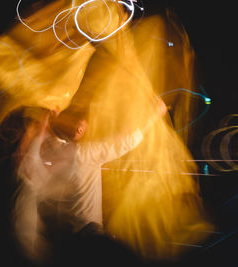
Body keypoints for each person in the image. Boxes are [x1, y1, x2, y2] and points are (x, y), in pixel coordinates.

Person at [12, 98, 168, 265]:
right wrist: (154, 115)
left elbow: (31, 160)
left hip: (62, 241)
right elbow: (125, 142)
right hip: (88, 235)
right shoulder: (83, 154)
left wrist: (43, 123)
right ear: (80, 128)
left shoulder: (46, 154)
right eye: (82, 123)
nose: (83, 126)